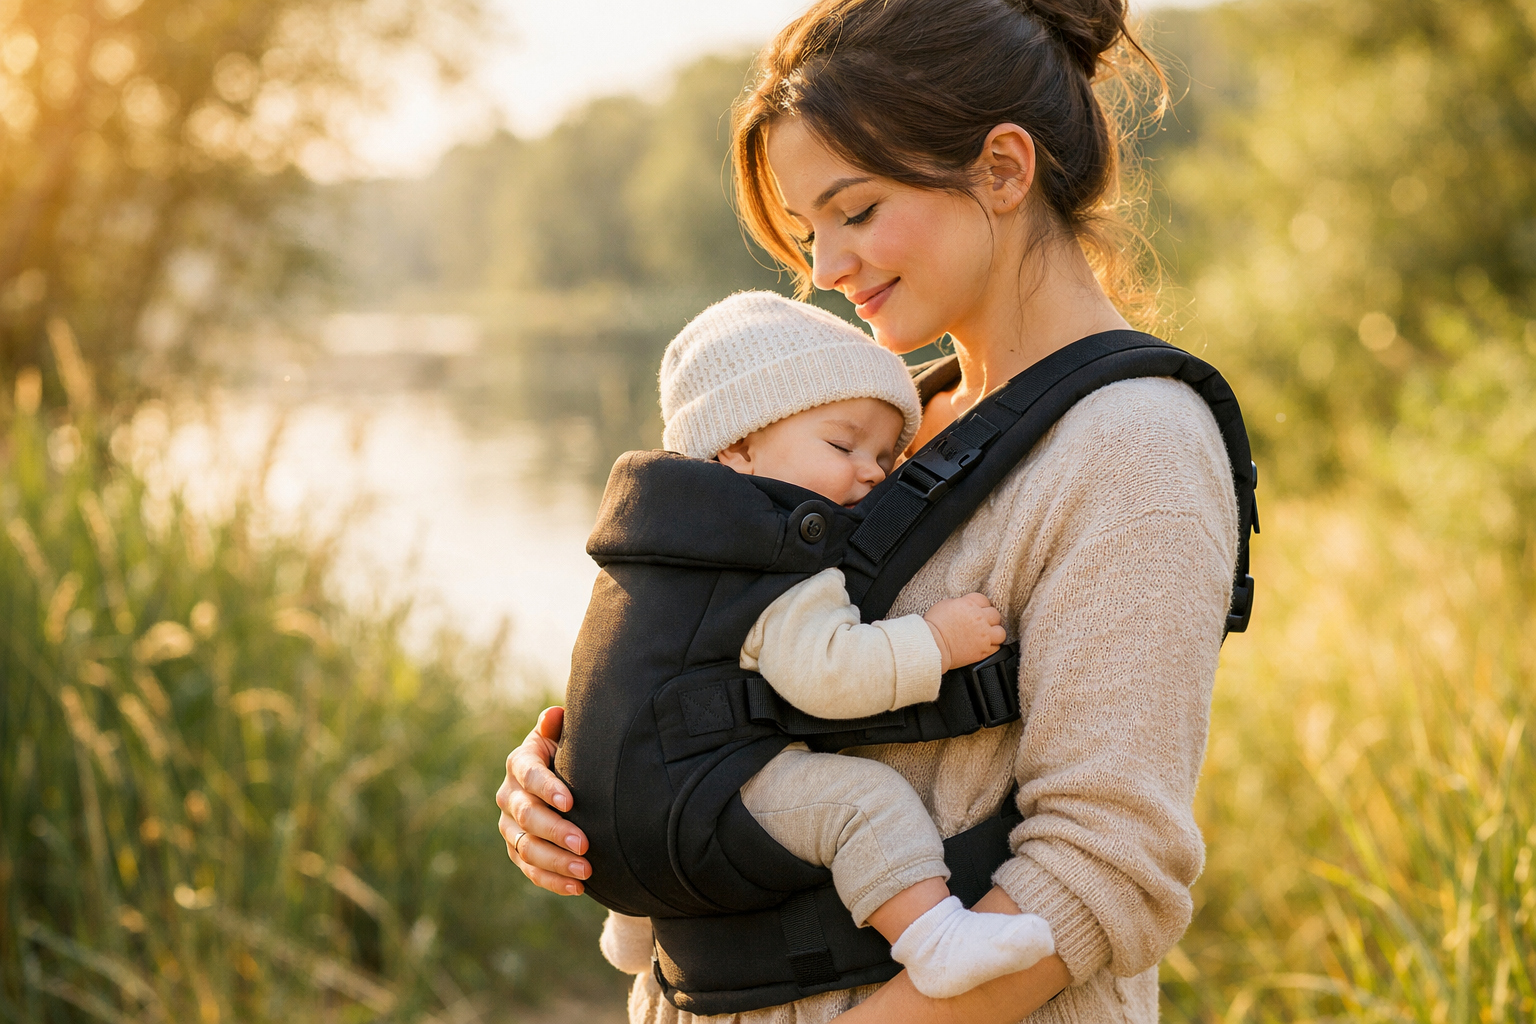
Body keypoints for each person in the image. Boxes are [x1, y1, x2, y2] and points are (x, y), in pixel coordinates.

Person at [499, 0, 1239, 1020]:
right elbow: (729, 657)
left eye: (854, 211)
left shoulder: (1132, 446)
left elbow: (1110, 866)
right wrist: (590, 776)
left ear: (1003, 170)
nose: (823, 269)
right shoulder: (874, 428)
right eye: (808, 230)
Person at [583, 290, 1055, 1000]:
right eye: (844, 445)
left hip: (605, 810)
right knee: (864, 801)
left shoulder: (654, 541)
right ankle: (935, 937)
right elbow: (824, 673)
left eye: (883, 454)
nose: (872, 471)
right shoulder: (770, 553)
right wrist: (933, 640)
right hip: (701, 803)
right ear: (739, 444)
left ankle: (632, 930)